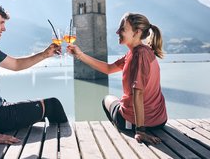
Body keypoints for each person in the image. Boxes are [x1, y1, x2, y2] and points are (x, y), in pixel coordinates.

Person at [0, 2, 68, 144]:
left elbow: (15, 64)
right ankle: (65, 149)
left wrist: (44, 54)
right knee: (53, 105)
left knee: (38, 109)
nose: (4, 28)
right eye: (1, 23)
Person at [67, 12, 167, 144]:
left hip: (138, 124)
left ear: (136, 32)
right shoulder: (140, 51)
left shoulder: (139, 55)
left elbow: (139, 93)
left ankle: (126, 131)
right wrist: (80, 54)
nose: (117, 32)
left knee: (107, 99)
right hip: (159, 120)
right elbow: (108, 69)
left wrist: (140, 131)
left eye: (122, 29)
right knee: (116, 99)